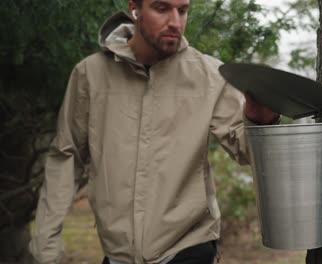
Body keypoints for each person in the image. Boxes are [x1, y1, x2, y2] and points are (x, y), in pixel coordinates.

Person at [29, 0, 279, 263]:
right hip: (117, 254)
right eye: (162, 9)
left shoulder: (208, 75)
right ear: (135, 8)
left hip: (188, 247)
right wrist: (46, 246)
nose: (175, 21)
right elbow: (66, 157)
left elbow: (244, 150)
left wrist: (259, 121)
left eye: (182, 10)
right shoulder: (91, 74)